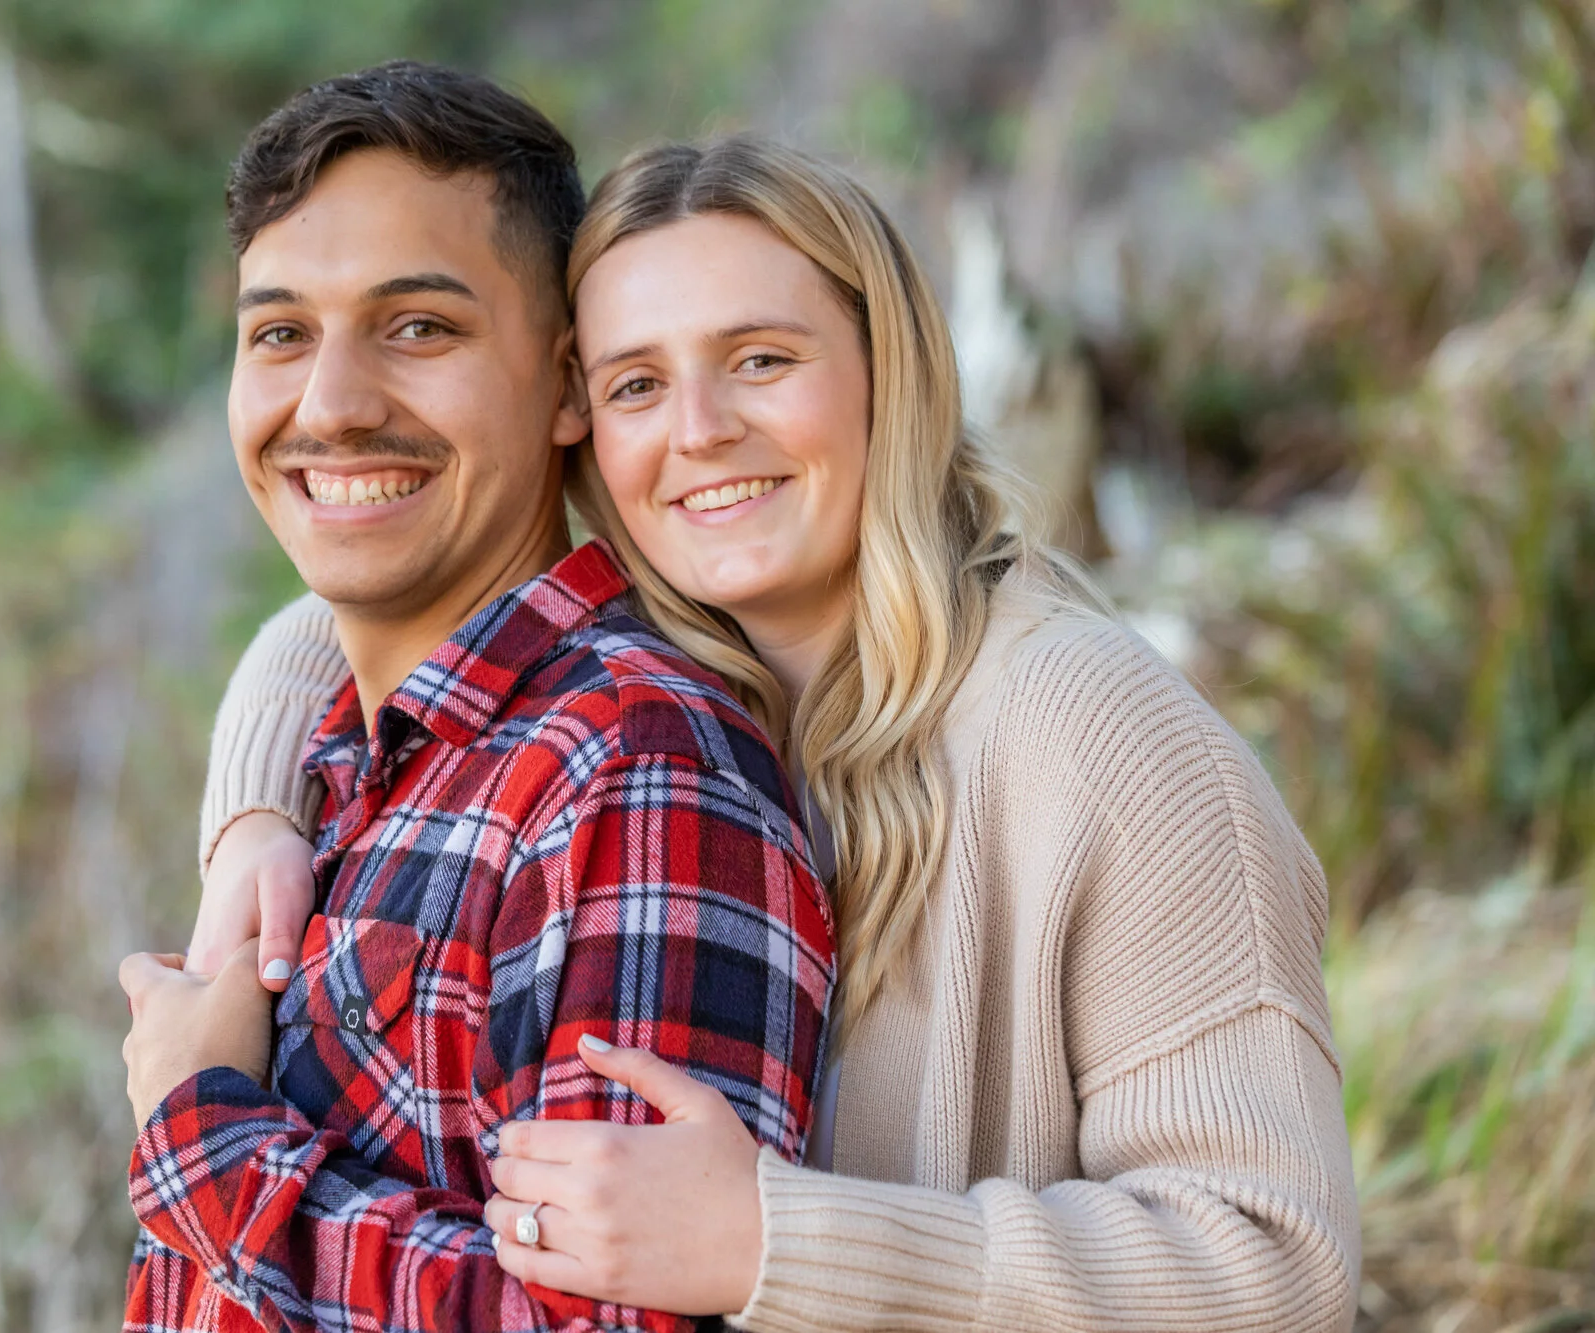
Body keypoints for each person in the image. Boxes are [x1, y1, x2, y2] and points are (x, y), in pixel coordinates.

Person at [194, 134, 1362, 1331]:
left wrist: (778, 1239)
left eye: (759, 359)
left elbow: (1274, 1264)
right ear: (578, 415)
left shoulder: (1092, 731)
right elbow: (327, 617)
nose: (698, 431)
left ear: (886, 371)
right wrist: (254, 815)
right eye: (637, 384)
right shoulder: (664, 655)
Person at [117, 68, 834, 1333]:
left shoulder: (630, 768)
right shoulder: (347, 760)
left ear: (565, 386)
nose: (329, 406)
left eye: (417, 329)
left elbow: (609, 1324)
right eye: (280, 333)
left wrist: (205, 1134)